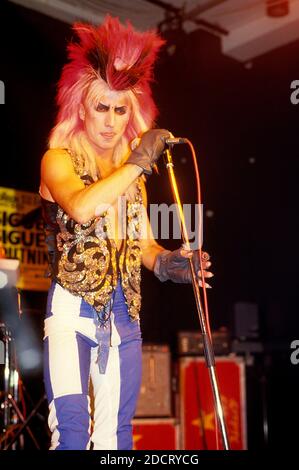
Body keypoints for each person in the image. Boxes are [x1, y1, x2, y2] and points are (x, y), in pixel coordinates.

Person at [39, 15, 213, 450]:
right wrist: (137, 161)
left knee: (115, 439)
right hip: (72, 312)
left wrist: (171, 264)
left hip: (123, 316)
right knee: (73, 433)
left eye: (121, 110)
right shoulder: (57, 160)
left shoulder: (131, 178)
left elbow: (144, 246)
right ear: (81, 107)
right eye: (102, 107)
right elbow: (80, 208)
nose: (111, 121)